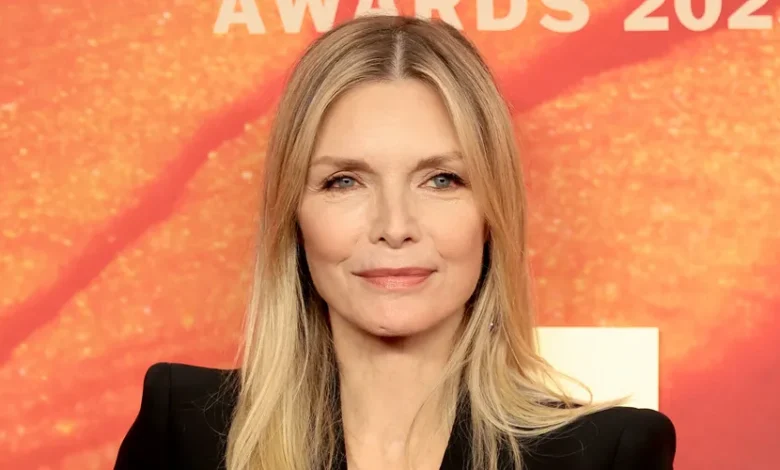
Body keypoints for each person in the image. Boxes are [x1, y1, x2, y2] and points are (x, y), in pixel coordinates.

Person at [114, 14, 676, 470]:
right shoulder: (184, 431)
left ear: (492, 212)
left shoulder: (609, 454)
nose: (395, 224)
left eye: (441, 179)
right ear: (293, 212)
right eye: (345, 181)